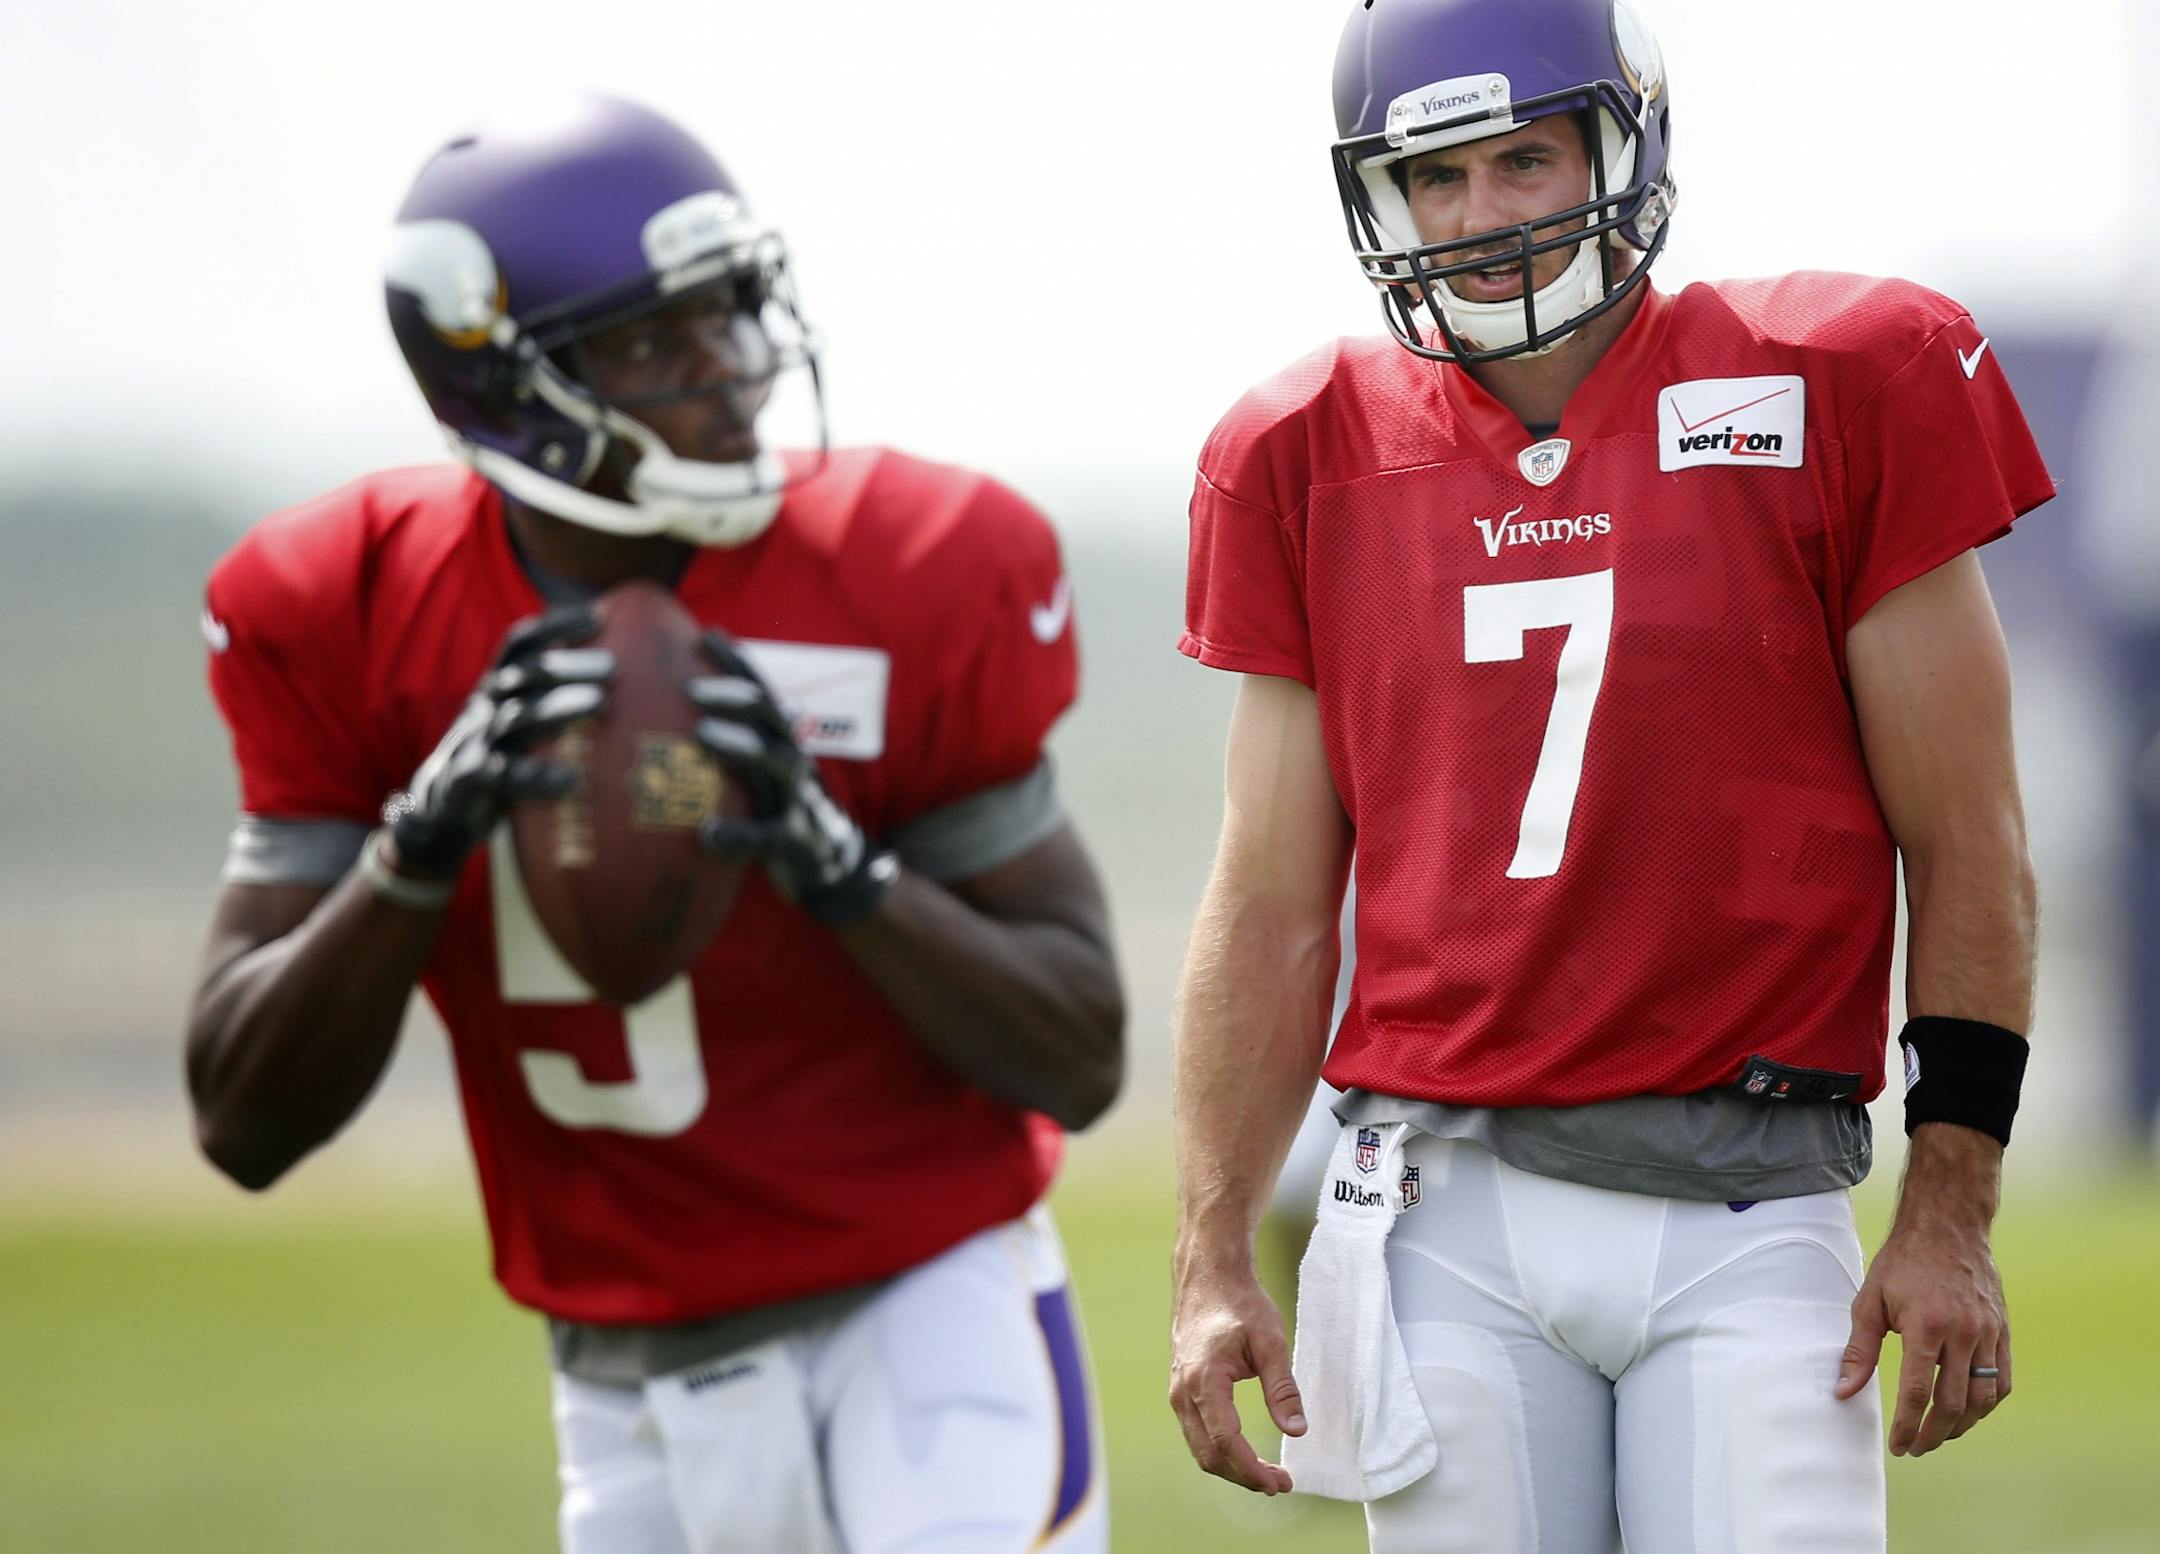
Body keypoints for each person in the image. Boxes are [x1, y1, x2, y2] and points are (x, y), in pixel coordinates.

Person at [1166, 2, 2049, 1549]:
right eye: (1435, 177)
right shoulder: (1299, 448)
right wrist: (1211, 1248)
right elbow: (1268, 899)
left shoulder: (1839, 377)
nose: (1482, 217)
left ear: (1621, 146)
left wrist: (1951, 1203)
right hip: (1439, 1213)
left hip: (1751, 1208)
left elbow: (1968, 836)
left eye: (1523, 158)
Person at [186, 93, 1121, 1554]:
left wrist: (832, 860)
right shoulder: (343, 609)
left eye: (732, 310)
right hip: (620, 1374)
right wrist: (418, 842)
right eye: (650, 339)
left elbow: (1080, 1053)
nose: (729, 373)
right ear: (502, 381)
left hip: (924, 1315)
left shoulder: (918, 566)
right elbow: (241, 1119)